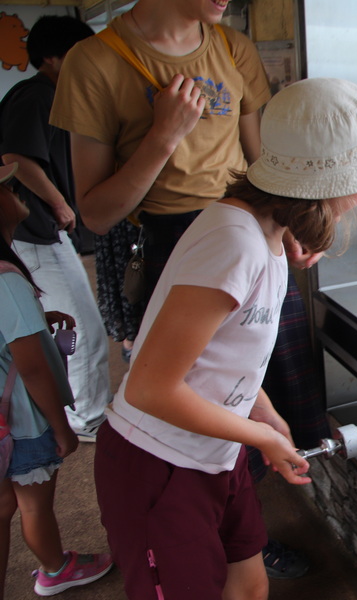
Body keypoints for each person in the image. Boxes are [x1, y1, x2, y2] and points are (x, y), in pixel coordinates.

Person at [50, 1, 331, 576]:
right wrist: (163, 135)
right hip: (174, 240)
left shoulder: (232, 49)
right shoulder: (95, 62)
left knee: (261, 388)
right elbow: (96, 213)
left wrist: (296, 221)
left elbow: (262, 164)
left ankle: (238, 532)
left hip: (255, 223)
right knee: (187, 392)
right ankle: (193, 535)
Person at [92, 78, 357, 600]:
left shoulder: (265, 232)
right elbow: (150, 388)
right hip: (157, 461)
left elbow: (222, 353)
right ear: (323, 183)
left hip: (215, 448)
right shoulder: (235, 244)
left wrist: (263, 415)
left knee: (250, 584)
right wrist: (260, 437)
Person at [0, 162, 114, 598]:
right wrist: (63, 427)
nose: (16, 191)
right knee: (32, 504)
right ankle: (54, 569)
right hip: (24, 425)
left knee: (6, 503)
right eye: (8, 187)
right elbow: (32, 367)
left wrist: (37, 318)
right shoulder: (8, 281)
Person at [0, 15, 110, 441]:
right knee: (83, 329)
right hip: (38, 234)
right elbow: (18, 157)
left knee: (70, 323)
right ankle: (89, 419)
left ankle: (81, 412)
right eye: (79, 54)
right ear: (52, 57)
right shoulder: (38, 95)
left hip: (42, 233)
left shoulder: (48, 95)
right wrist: (60, 204)